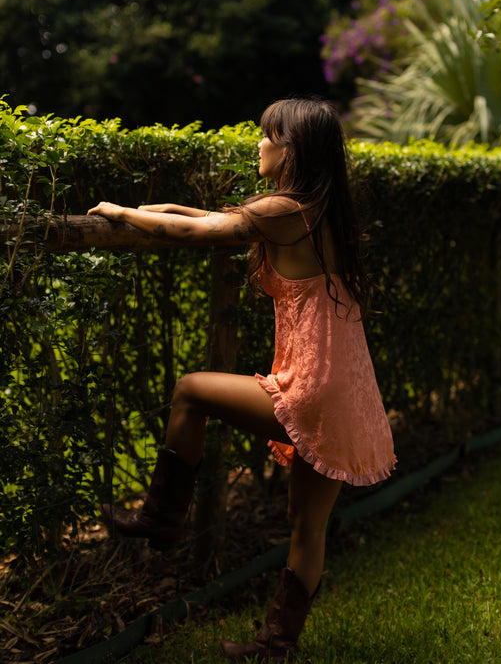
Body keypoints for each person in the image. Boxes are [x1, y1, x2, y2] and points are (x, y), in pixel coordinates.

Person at [87, 96, 396, 663]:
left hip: (313, 386)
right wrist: (158, 207)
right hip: (350, 389)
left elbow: (195, 235)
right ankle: (274, 648)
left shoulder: (285, 210)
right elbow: (210, 221)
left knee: (189, 390)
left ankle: (162, 517)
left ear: (290, 148)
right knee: (307, 527)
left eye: (265, 134)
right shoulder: (316, 210)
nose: (258, 144)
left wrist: (120, 212)